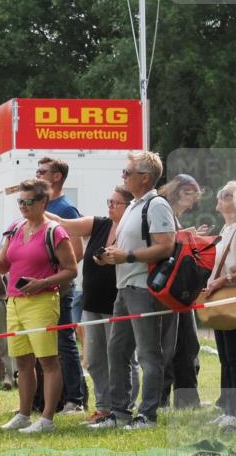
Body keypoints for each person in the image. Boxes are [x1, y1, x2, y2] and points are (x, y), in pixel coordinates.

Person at [0, 179, 77, 433]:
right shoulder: (15, 228)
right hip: (14, 301)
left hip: (42, 301)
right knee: (22, 362)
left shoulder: (55, 231)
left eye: (28, 201)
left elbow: (71, 270)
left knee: (48, 362)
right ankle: (24, 414)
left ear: (43, 202)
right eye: (20, 202)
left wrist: (42, 283)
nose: (23, 206)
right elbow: (4, 266)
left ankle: (47, 419)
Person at [92, 151, 176, 430]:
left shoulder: (156, 204)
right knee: (117, 351)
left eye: (127, 172)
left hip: (144, 290)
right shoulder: (132, 206)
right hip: (125, 289)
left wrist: (127, 256)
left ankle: (147, 415)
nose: (123, 176)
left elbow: (166, 246)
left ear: (145, 178)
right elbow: (126, 246)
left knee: (148, 355)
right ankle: (120, 413)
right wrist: (109, 256)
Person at [47, 185, 140, 423]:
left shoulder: (133, 229)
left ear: (129, 206)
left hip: (118, 303)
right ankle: (103, 407)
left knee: (121, 358)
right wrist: (37, 206)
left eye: (116, 203)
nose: (110, 206)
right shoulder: (99, 224)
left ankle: (124, 406)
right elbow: (63, 223)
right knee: (95, 359)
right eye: (109, 201)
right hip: (92, 302)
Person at [35, 157, 88, 413]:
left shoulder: (65, 210)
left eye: (42, 171)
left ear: (57, 177)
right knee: (45, 343)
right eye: (37, 171)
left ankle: (75, 399)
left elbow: (77, 251)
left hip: (61, 287)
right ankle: (48, 399)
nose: (37, 175)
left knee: (65, 342)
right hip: (41, 286)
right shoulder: (41, 206)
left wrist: (54, 272)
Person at [157, 174, 205, 410]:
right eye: (189, 195)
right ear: (177, 191)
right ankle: (163, 400)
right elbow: (166, 245)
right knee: (171, 347)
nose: (192, 201)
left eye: (195, 196)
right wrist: (189, 236)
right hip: (169, 290)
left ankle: (186, 400)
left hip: (179, 290)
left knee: (187, 345)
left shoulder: (171, 214)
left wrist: (190, 236)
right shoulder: (163, 211)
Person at [205, 181, 236, 430]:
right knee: (225, 357)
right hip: (220, 300)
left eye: (225, 194)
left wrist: (221, 281)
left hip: (230, 299)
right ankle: (227, 407)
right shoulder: (227, 229)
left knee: (233, 357)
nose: (220, 197)